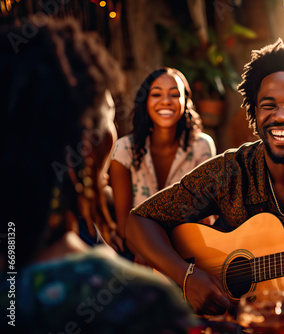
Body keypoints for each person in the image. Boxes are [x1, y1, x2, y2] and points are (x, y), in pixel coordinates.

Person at [125, 39, 284, 334]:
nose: (280, 116)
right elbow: (139, 219)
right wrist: (187, 277)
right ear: (255, 115)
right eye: (268, 106)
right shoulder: (231, 169)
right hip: (235, 316)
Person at [0, 17, 198, 333]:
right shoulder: (140, 302)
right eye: (108, 114)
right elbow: (125, 225)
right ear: (87, 145)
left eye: (174, 94)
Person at [110, 67, 216, 245]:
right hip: (140, 250)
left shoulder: (201, 147)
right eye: (157, 94)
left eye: (174, 95)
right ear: (145, 102)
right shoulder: (123, 150)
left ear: (185, 102)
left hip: (190, 249)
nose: (166, 101)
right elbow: (125, 226)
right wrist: (147, 255)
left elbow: (206, 220)